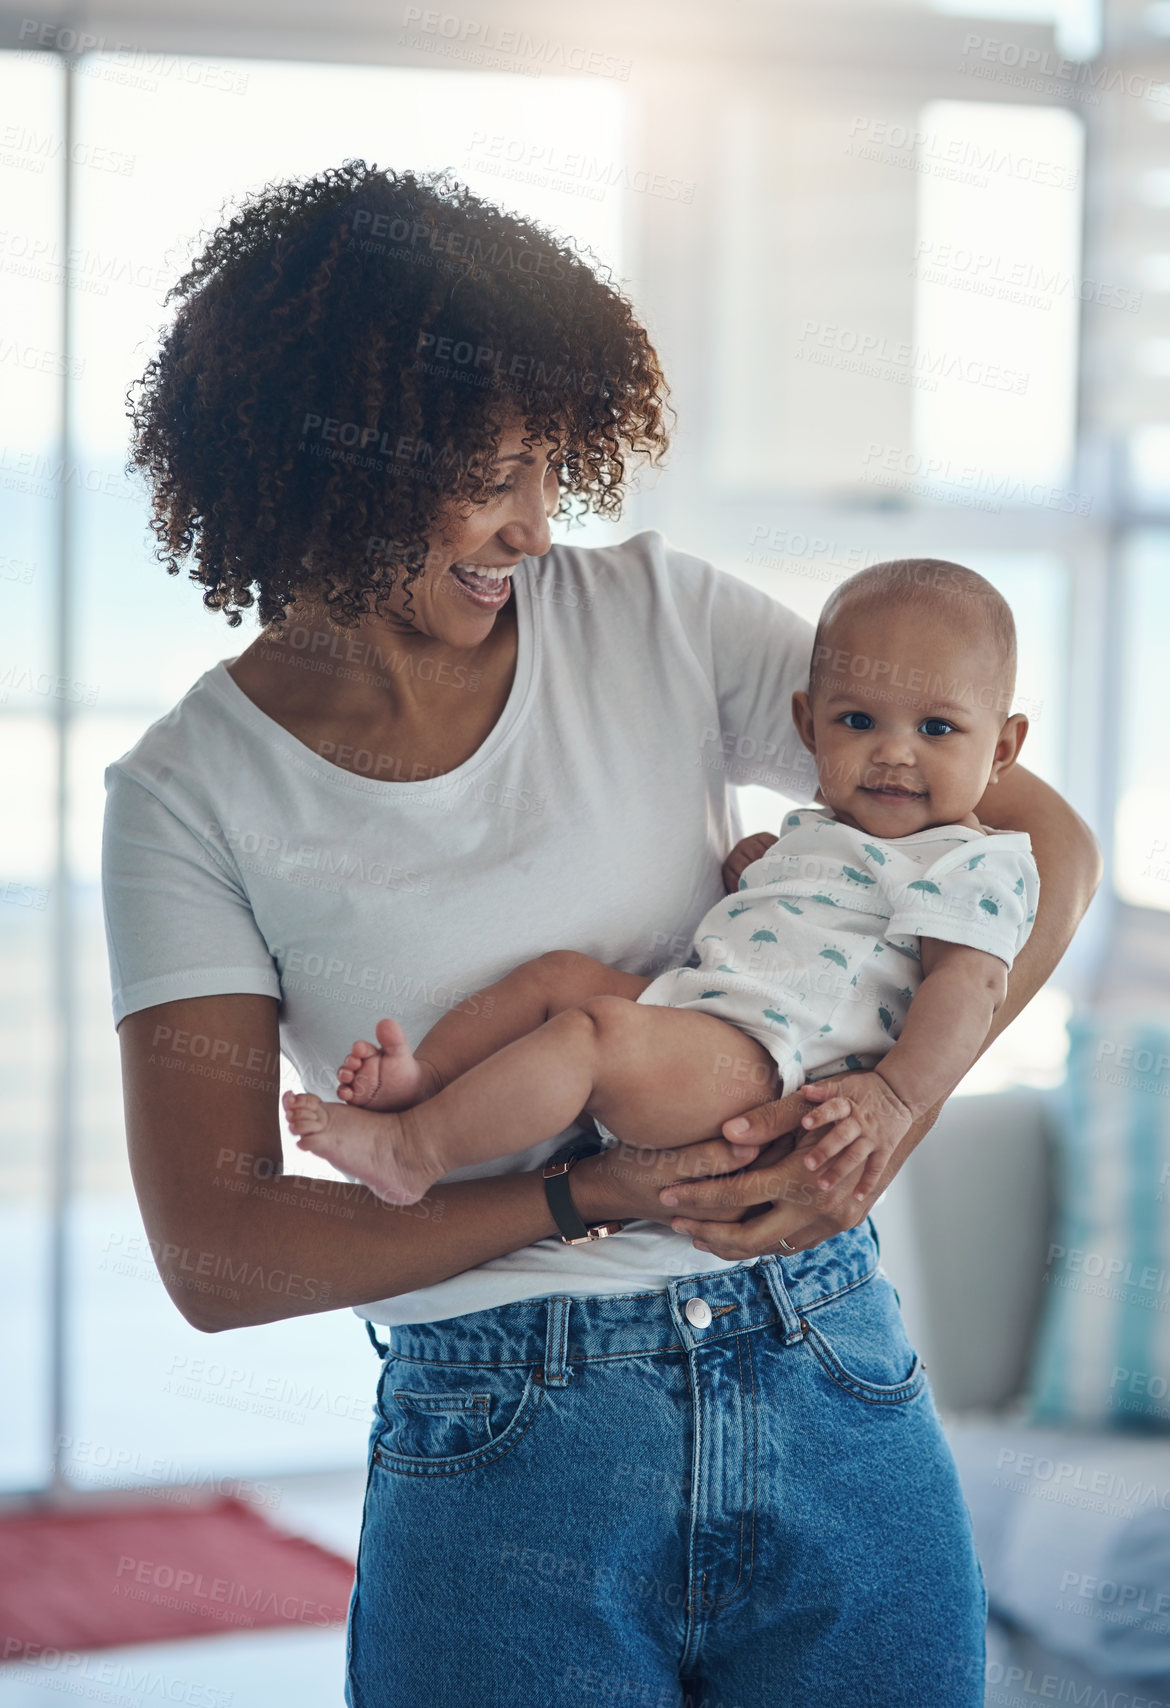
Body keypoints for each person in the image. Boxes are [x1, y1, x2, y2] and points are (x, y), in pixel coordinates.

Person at [104, 161, 1101, 1707]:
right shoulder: (188, 793)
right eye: (493, 477)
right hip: (504, 1449)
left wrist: (896, 1115)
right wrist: (587, 1191)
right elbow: (223, 1252)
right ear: (330, 462)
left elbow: (1035, 839)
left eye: (551, 469)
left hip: (823, 1364)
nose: (536, 527)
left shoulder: (654, 620)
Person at [284, 557, 1042, 1213]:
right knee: (560, 979)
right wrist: (763, 874)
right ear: (808, 727)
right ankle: (431, 1077)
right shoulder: (830, 833)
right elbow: (818, 924)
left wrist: (897, 1099)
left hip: (766, 1070)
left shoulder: (974, 863)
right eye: (858, 721)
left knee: (594, 1037)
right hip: (704, 1017)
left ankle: (415, 1152)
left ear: (1003, 747)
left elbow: (968, 988)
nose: (894, 755)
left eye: (937, 729)